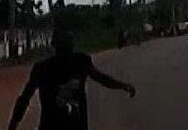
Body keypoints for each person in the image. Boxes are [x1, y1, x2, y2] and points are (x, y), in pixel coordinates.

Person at [7, 27, 136, 130]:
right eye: (65, 42)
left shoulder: (75, 63)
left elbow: (24, 98)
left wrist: (13, 124)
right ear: (56, 45)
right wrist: (13, 123)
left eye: (69, 41)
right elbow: (24, 98)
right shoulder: (49, 67)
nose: (68, 45)